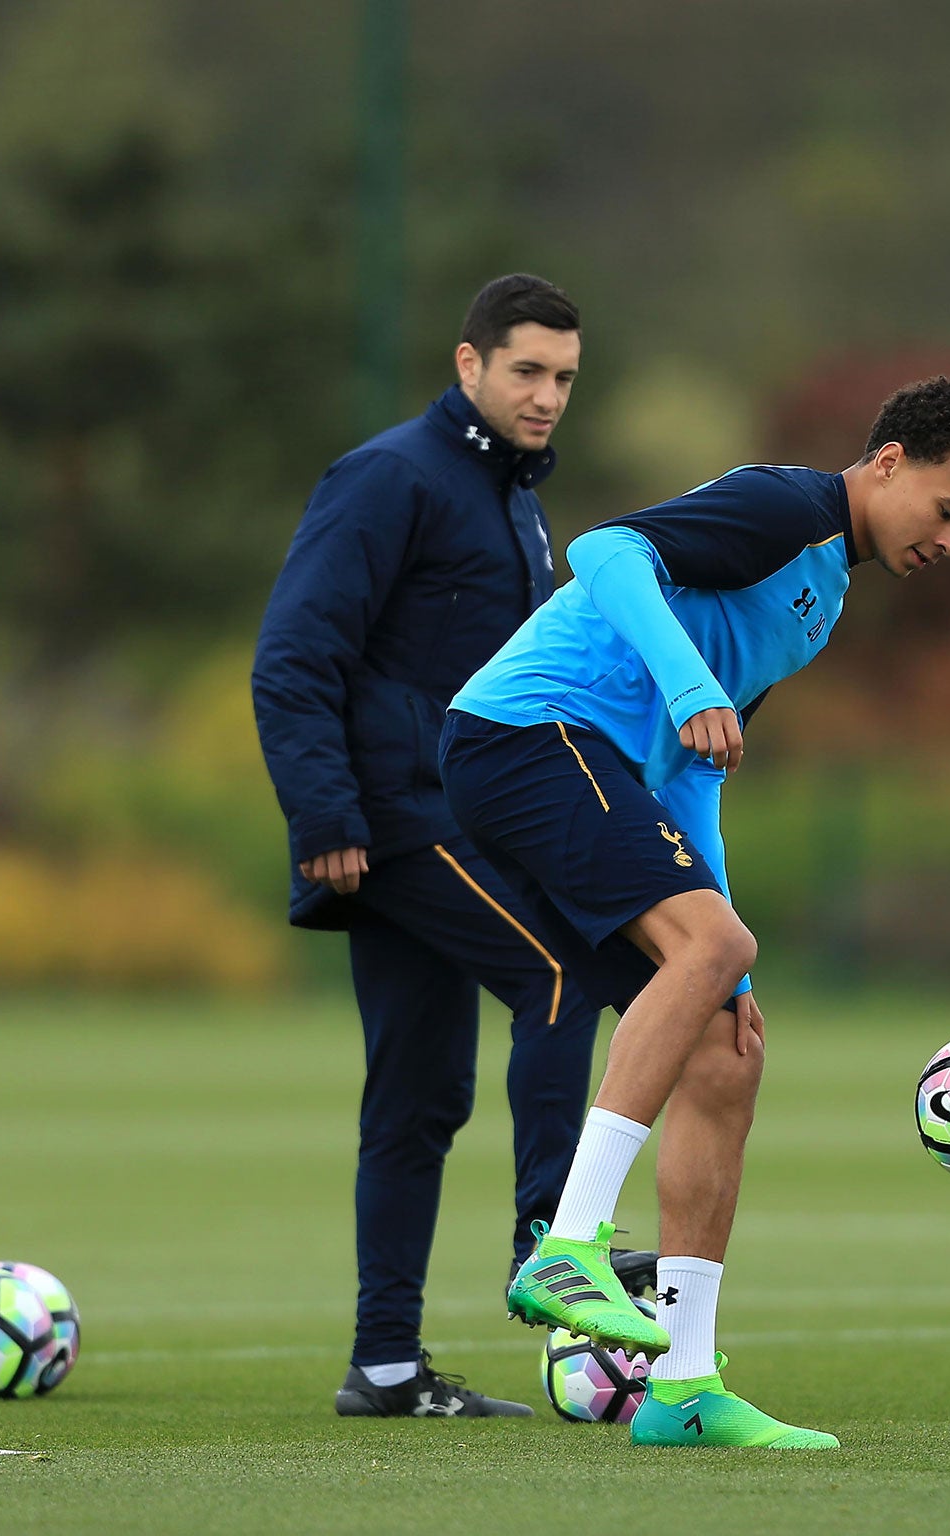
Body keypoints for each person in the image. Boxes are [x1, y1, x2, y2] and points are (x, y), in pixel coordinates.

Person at [439, 375, 950, 1448]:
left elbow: (696, 775)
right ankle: (565, 1248)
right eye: (947, 511)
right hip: (526, 735)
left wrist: (725, 965)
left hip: (596, 767)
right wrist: (685, 686)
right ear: (888, 463)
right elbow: (605, 553)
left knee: (724, 1048)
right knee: (709, 951)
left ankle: (683, 1390)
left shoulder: (822, 602)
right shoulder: (786, 508)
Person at [254, 274, 649, 1419]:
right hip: (399, 821)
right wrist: (325, 817)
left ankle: (383, 1367)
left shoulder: (510, 498)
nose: (546, 396)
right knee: (568, 975)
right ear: (467, 363)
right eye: (525, 371)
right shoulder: (390, 477)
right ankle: (552, 1237)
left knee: (416, 1097)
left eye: (565, 378)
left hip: (445, 820)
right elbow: (292, 655)